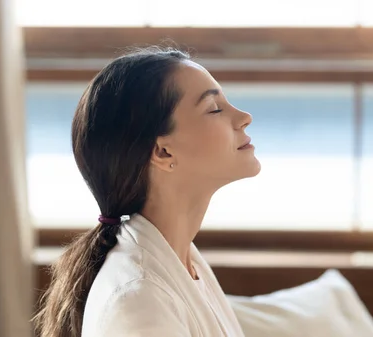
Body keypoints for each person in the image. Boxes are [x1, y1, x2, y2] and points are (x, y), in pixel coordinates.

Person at [33, 47, 261, 337]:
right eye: (214, 108)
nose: (244, 117)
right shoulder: (139, 302)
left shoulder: (182, 260)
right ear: (162, 151)